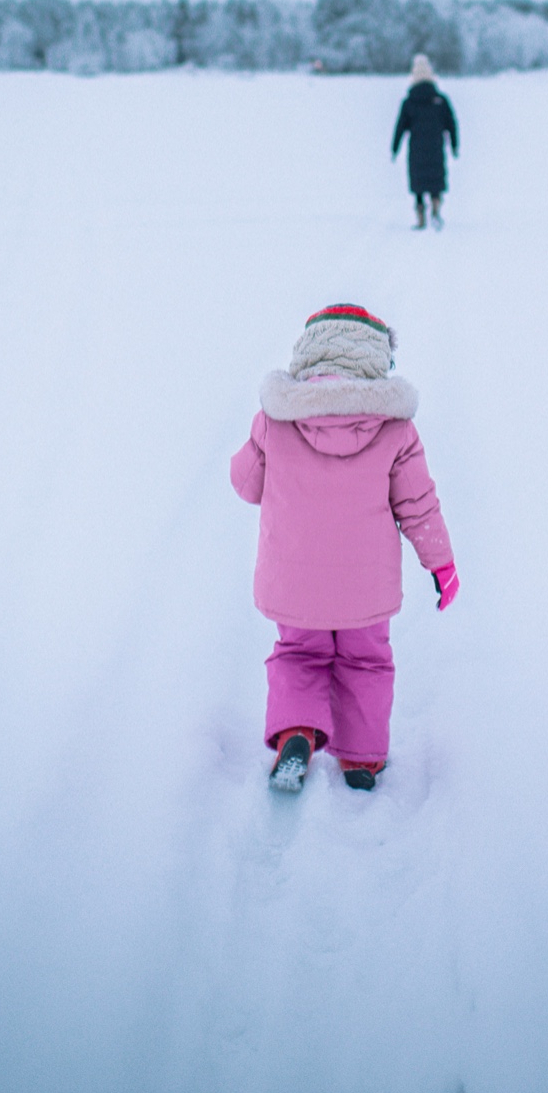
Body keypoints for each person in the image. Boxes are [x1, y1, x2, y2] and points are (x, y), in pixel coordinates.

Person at [230, 303, 459, 793]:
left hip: (293, 581)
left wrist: (260, 438)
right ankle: (361, 759)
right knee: (367, 661)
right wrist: (441, 563)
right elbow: (418, 504)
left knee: (297, 654)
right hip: (366, 587)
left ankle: (297, 733)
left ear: (307, 354)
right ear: (378, 360)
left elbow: (246, 485)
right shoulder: (396, 428)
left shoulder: (276, 419)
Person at [392, 53, 459, 230]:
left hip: (417, 149)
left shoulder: (409, 102)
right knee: (436, 178)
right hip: (436, 147)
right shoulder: (441, 100)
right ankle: (436, 207)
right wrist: (454, 145)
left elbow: (400, 127)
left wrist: (395, 148)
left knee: (419, 182)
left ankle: (420, 214)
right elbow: (451, 124)